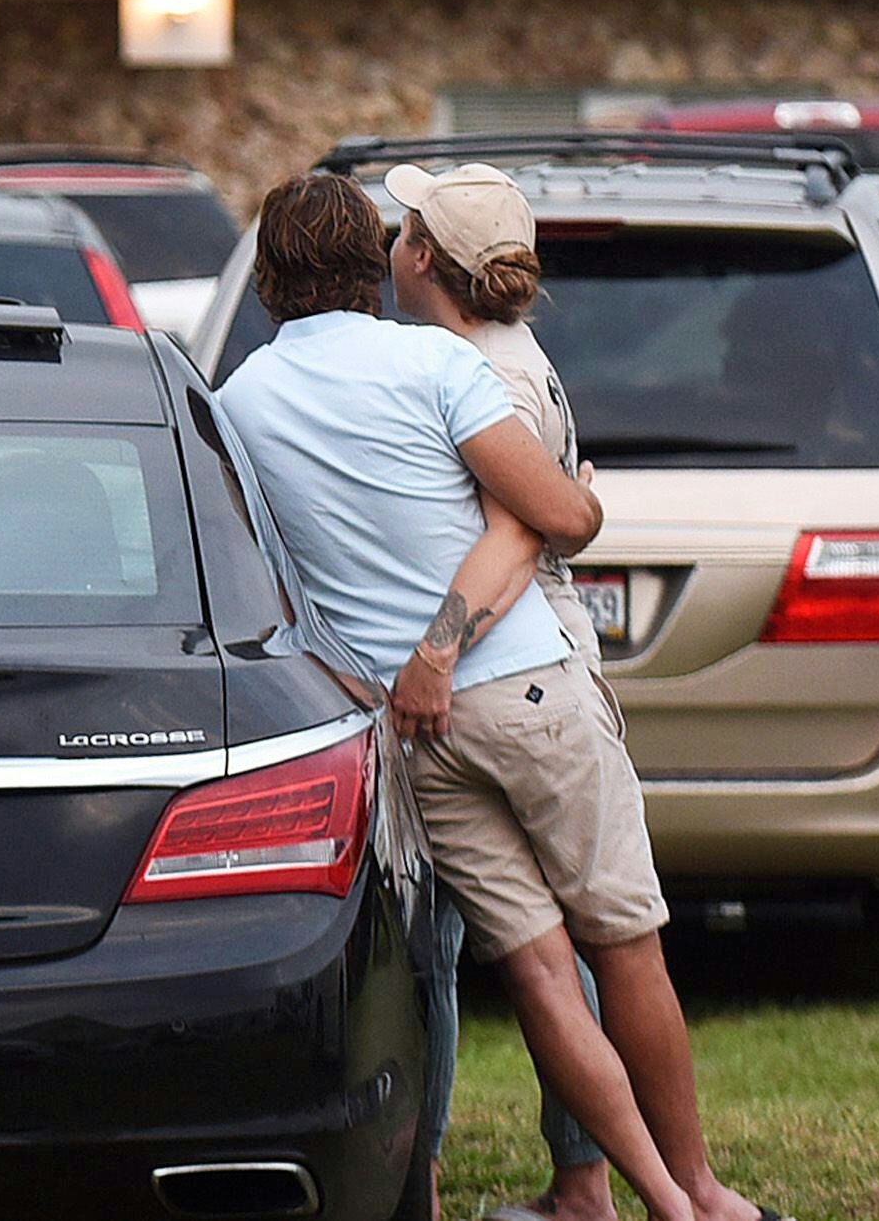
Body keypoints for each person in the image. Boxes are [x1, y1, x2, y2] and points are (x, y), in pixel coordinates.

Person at [216, 172, 712, 1221]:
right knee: (625, 945)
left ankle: (658, 1200)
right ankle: (702, 1196)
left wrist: (404, 667)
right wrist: (458, 623)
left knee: (536, 974)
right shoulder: (435, 359)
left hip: (412, 733)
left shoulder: (238, 406)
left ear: (268, 276)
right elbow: (557, 518)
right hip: (529, 689)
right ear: (374, 264)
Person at [375, 163, 782, 1221]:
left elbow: (528, 524)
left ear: (426, 258)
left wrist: (436, 651)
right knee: (590, 949)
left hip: (505, 682)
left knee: (602, 947)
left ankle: (683, 1189)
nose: (394, 240)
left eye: (405, 227)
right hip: (536, 691)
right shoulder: (498, 357)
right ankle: (633, 1190)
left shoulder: (481, 377)